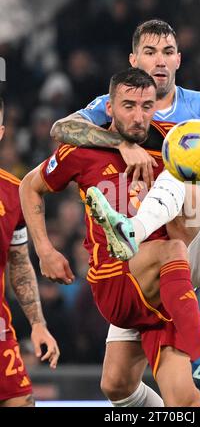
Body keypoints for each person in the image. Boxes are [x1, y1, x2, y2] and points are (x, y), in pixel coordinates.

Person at [50, 20, 200, 407]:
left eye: (168, 52)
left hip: (197, 235)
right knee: (117, 384)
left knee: (180, 158)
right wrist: (121, 142)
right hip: (152, 255)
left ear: (179, 59)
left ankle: (131, 230)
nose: (160, 60)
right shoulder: (112, 107)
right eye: (150, 52)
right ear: (134, 59)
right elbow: (62, 129)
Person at [0, 98, 60, 407]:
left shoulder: (13, 193)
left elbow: (20, 264)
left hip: (0, 334)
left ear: (1, 132)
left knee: (23, 401)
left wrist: (38, 324)